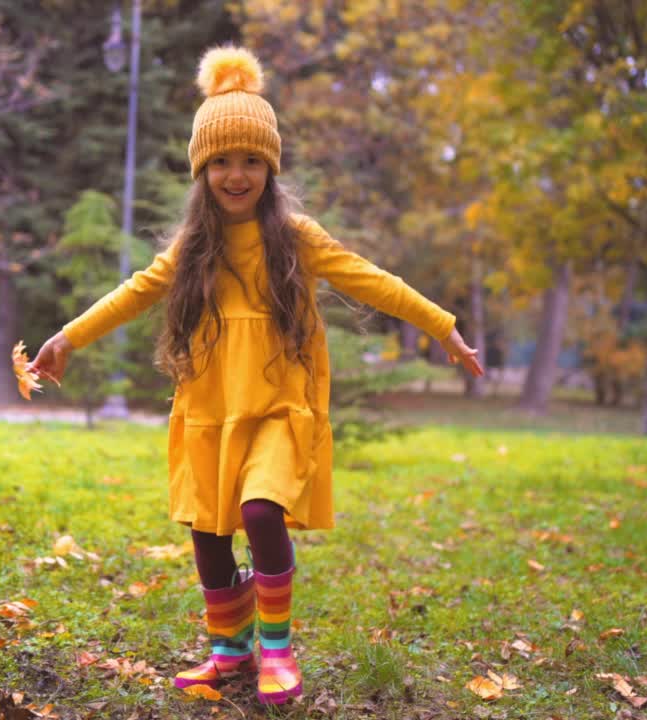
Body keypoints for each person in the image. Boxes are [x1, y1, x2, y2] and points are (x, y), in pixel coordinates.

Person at [27, 46, 483, 705]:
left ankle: (275, 652)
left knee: (261, 512)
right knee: (208, 534)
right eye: (221, 161)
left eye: (250, 161)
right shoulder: (194, 248)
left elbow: (375, 282)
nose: (235, 175)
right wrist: (67, 337)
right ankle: (230, 655)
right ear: (202, 168)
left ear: (269, 167)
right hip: (210, 408)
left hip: (277, 408)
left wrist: (443, 325)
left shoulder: (295, 236)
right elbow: (133, 292)